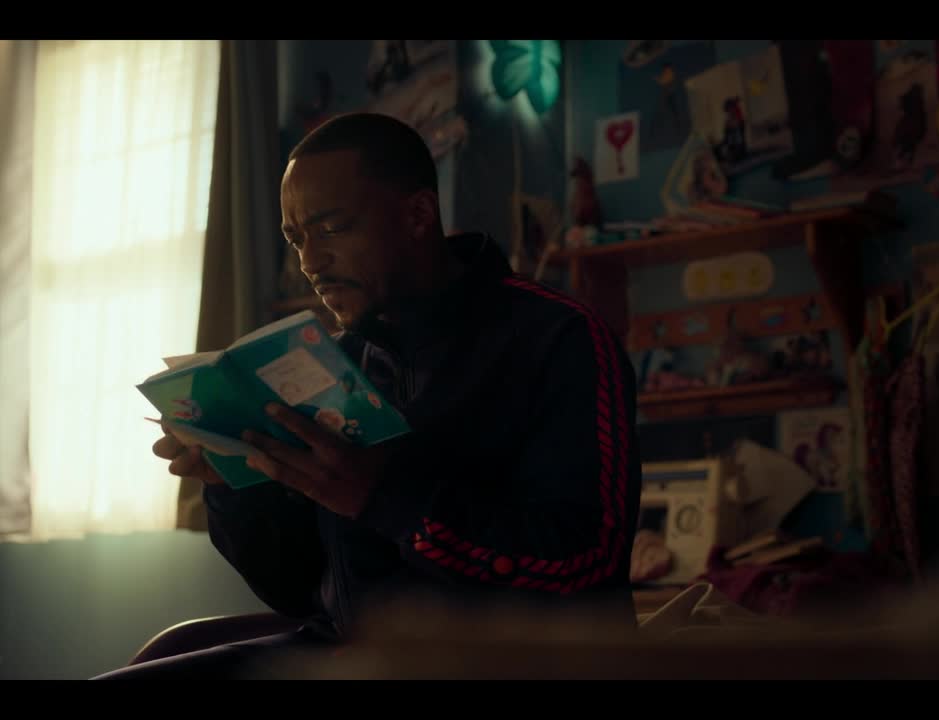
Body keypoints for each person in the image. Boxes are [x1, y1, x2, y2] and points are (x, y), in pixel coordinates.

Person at [99, 112, 641, 679]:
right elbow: (294, 589)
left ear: (418, 215)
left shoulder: (561, 338)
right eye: (296, 239)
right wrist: (237, 483)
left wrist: (382, 498)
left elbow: (586, 562)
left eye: (332, 229)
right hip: (347, 654)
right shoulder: (330, 365)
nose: (310, 262)